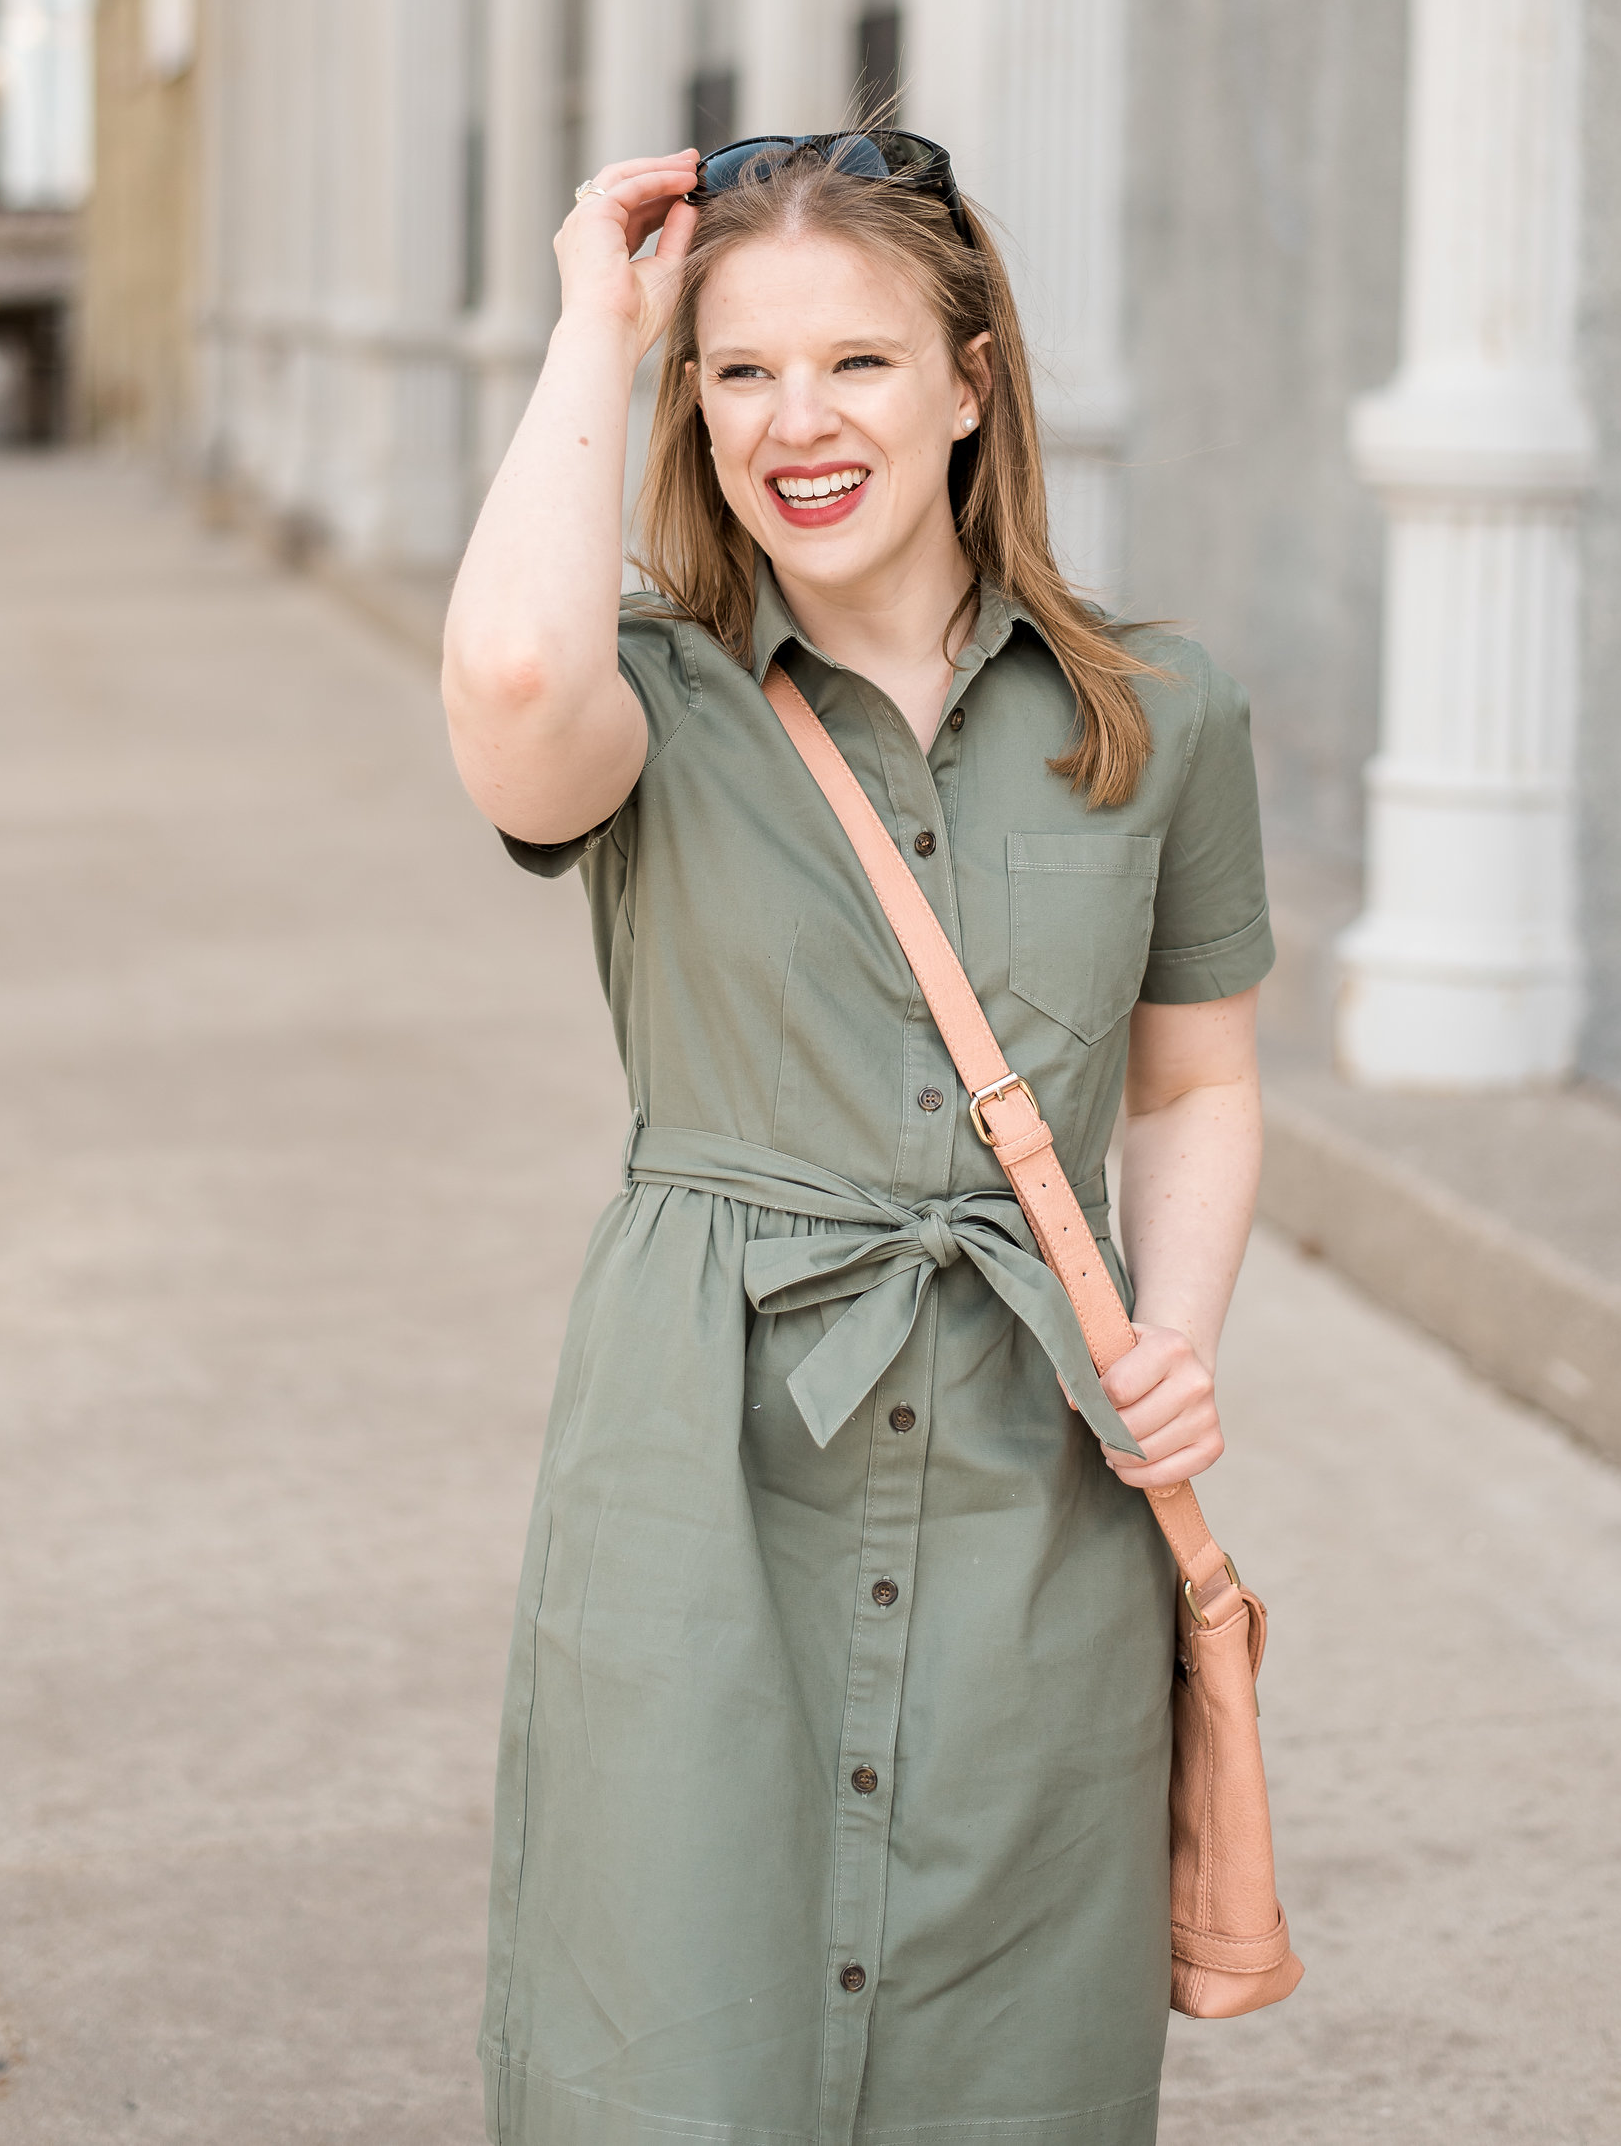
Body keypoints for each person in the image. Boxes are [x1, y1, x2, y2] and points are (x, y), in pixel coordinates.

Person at [442, 133, 1276, 2146]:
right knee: (669, 2041)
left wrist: (1175, 1333)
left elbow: (1196, 1083)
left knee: (1009, 2065)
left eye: (859, 363)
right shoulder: (651, 697)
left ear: (972, 380)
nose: (795, 422)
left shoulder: (1158, 713)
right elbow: (515, 670)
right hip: (698, 1473)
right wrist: (596, 324)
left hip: (1037, 1487)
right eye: (739, 371)